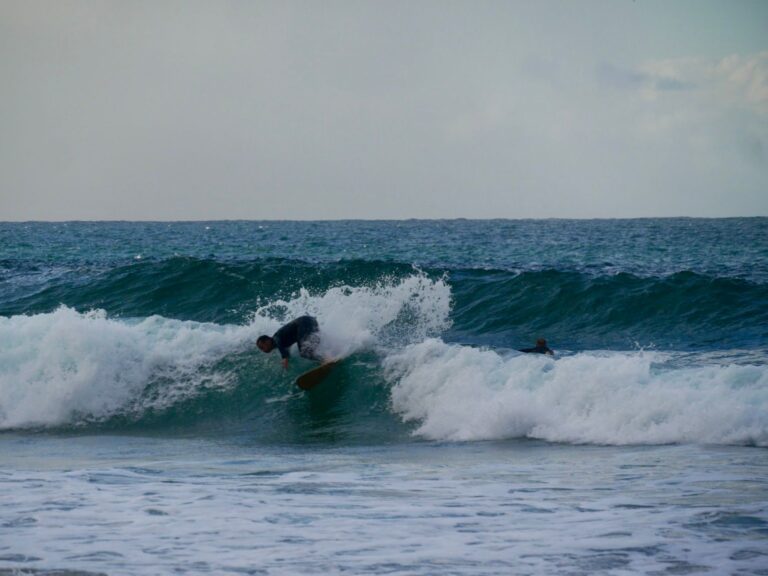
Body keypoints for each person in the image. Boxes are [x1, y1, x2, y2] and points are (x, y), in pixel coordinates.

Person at [256, 315, 322, 369]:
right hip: (311, 321)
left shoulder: (276, 338)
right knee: (310, 349)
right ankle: (327, 357)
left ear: (267, 341)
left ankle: (325, 360)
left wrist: (284, 358)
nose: (263, 350)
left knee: (304, 352)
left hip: (304, 322)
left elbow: (279, 343)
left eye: (262, 347)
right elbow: (284, 349)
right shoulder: (281, 340)